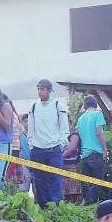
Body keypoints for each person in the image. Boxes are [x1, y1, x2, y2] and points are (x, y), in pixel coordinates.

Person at [27, 79, 70, 207]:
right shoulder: (34, 107)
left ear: (49, 91)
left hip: (54, 148)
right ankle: (44, 207)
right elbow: (31, 129)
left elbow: (64, 128)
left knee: (56, 178)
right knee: (40, 180)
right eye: (38, 89)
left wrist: (60, 145)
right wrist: (31, 144)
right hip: (37, 149)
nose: (39, 92)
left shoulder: (58, 106)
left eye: (42, 89)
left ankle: (55, 206)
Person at [77, 96, 108, 205]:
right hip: (96, 153)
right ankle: (87, 205)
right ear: (95, 105)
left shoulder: (80, 119)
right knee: (98, 182)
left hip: (85, 155)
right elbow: (99, 133)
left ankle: (85, 207)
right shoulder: (97, 114)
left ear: (85, 106)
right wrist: (105, 149)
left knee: (89, 184)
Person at [61, 129, 84, 203]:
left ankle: (79, 206)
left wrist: (59, 158)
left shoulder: (74, 135)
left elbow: (72, 148)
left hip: (73, 166)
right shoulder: (60, 136)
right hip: (64, 166)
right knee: (66, 192)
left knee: (77, 191)